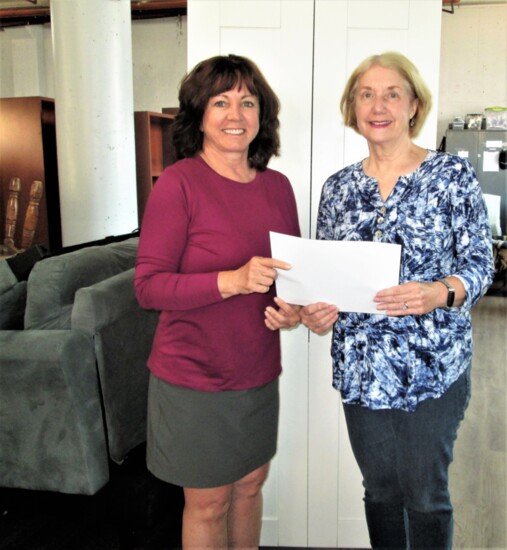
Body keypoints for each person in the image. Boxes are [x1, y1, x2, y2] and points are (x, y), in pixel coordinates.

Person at [287, 52, 493, 549]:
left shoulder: (451, 177)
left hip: (434, 369)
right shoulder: (337, 189)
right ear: (352, 107)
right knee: (379, 490)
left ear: (413, 104)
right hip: (361, 371)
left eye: (391, 93)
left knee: (425, 494)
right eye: (366, 94)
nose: (378, 106)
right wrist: (316, 311)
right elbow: (324, 282)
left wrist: (439, 291)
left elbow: (482, 265)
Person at [134, 54, 300, 549]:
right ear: (199, 115)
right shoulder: (179, 184)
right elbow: (148, 287)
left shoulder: (278, 187)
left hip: (256, 370)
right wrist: (230, 280)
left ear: (261, 115)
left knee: (250, 488)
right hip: (193, 377)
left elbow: (285, 278)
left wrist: (289, 308)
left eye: (247, 102)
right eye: (221, 101)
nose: (235, 114)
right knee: (207, 504)